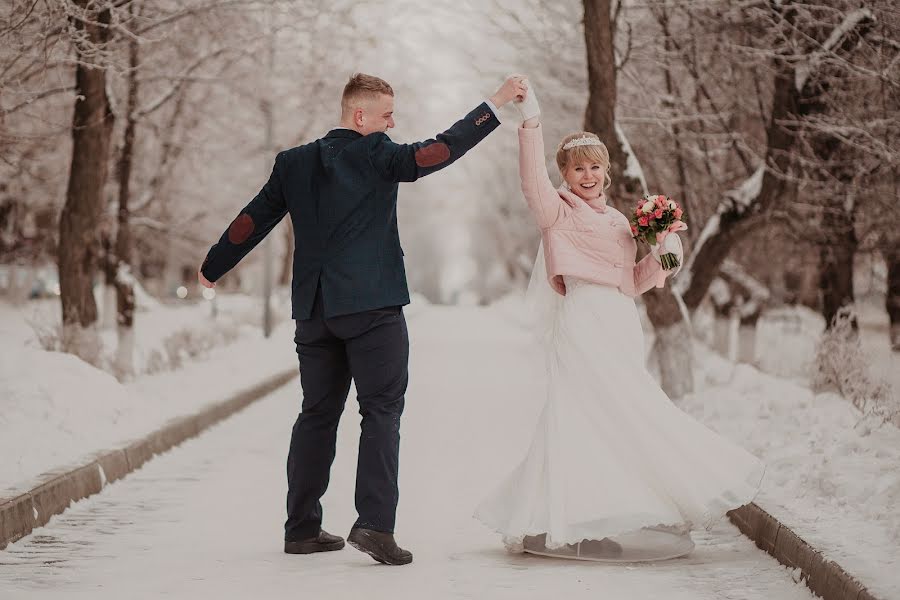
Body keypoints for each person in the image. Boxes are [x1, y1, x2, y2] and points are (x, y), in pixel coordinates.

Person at [198, 73, 529, 566]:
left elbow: (254, 218)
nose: (393, 123)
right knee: (381, 412)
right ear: (360, 116)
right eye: (387, 114)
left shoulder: (292, 163)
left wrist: (212, 266)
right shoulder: (378, 153)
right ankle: (375, 526)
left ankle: (302, 528)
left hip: (314, 312)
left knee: (316, 415)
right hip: (372, 309)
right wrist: (495, 105)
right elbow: (439, 151)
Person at [474, 81, 765, 561]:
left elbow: (636, 281)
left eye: (595, 167)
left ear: (607, 174)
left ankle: (614, 509)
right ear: (565, 174)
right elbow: (531, 182)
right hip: (582, 319)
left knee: (624, 411)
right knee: (578, 415)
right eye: (577, 168)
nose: (587, 175)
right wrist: (531, 120)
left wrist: (668, 247)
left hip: (619, 320)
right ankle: (573, 517)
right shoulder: (557, 212)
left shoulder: (621, 224)